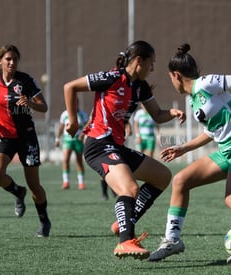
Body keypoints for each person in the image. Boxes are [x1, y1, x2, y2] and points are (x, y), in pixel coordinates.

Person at [63, 40, 185, 259]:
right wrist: (72, 121)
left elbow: (157, 114)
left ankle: (124, 222)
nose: (152, 68)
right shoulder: (111, 78)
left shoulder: (140, 87)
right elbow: (69, 87)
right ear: (139, 61)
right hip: (98, 145)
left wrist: (172, 113)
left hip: (116, 147)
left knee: (162, 176)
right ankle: (125, 241)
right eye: (151, 63)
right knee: (129, 189)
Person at [148, 44, 231, 265]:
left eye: (170, 79)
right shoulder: (194, 100)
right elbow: (211, 132)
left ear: (176, 75)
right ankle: (172, 240)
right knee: (181, 180)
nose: (171, 83)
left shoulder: (205, 83)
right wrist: (184, 148)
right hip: (227, 150)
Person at [0, 44, 51, 237]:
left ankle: (44, 221)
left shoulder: (26, 81)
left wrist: (29, 103)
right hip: (4, 136)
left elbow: (44, 107)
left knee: (34, 185)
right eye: (8, 59)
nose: (12, 63)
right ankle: (18, 192)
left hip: (26, 137)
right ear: (0, 60)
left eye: (15, 59)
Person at [55, 101, 88, 190]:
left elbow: (87, 126)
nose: (74, 105)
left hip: (78, 140)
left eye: (76, 103)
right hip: (67, 140)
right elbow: (61, 127)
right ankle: (66, 182)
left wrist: (84, 136)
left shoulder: (82, 114)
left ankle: (81, 183)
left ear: (78, 104)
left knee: (79, 161)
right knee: (66, 160)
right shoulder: (65, 114)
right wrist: (57, 138)